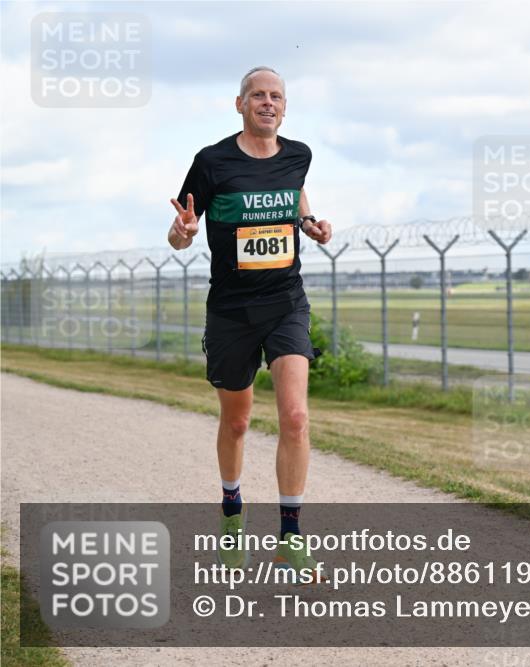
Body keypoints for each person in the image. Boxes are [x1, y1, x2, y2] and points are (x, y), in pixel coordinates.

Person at [167, 66, 332, 575]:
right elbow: (179, 232)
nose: (268, 102)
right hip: (232, 311)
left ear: (285, 106)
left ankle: (290, 537)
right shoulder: (211, 162)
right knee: (237, 422)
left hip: (286, 302)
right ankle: (233, 513)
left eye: (276, 96)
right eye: (257, 95)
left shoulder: (299, 154)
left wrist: (311, 224)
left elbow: (295, 196)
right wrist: (184, 232)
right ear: (239, 104)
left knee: (296, 418)